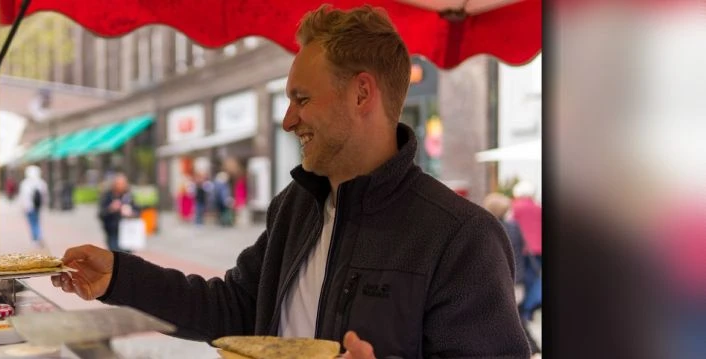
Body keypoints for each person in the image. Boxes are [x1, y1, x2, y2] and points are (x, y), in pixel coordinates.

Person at [53, 5, 529, 358]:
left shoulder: (462, 237)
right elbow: (235, 307)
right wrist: (121, 277)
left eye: (301, 98)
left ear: (362, 92)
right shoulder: (295, 206)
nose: (287, 120)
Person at [483, 193, 541, 355]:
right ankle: (531, 348)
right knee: (515, 317)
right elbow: (523, 250)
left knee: (511, 320)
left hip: (500, 280)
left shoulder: (487, 230)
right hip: (517, 279)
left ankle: (530, 348)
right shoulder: (513, 227)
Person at [511, 181, 542, 322]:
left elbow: (511, 227)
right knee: (534, 279)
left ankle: (523, 310)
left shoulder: (515, 208)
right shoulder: (538, 208)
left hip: (523, 249)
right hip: (538, 249)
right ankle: (529, 309)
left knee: (522, 279)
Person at [97, 174, 136, 253]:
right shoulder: (108, 196)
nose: (121, 186)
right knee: (115, 255)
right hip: (112, 232)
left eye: (123, 184)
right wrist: (111, 208)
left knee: (127, 256)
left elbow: (137, 210)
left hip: (127, 232)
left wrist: (131, 213)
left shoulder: (128, 196)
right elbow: (101, 214)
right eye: (118, 184)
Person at [18, 165, 48, 246]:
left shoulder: (25, 183)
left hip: (29, 207)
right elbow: (45, 195)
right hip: (37, 206)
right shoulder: (41, 182)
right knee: (37, 222)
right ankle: (39, 236)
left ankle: (36, 238)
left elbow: (23, 196)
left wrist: (23, 207)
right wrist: (43, 205)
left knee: (32, 223)